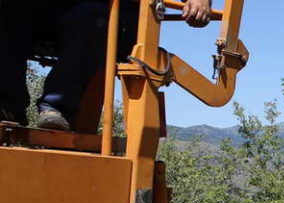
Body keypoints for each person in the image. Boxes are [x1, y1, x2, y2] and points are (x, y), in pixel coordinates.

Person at [0, 0, 211, 130]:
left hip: (109, 15)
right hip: (54, 12)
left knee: (92, 16)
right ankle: (8, 107)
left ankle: (55, 108)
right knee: (11, 6)